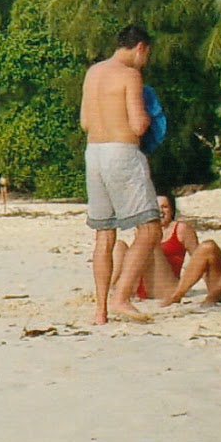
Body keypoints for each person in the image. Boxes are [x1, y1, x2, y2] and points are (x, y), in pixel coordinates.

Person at [81, 25, 161, 324]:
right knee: (150, 229)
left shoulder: (93, 73)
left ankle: (100, 310)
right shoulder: (130, 75)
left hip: (94, 152)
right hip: (121, 153)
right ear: (140, 47)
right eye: (147, 55)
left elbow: (86, 121)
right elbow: (138, 124)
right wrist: (153, 116)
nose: (145, 61)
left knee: (104, 233)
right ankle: (121, 297)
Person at [110, 194, 198, 304]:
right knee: (119, 246)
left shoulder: (181, 229)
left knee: (151, 244)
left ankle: (121, 289)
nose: (160, 211)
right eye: (156, 207)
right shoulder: (144, 230)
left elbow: (198, 258)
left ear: (172, 210)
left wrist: (185, 286)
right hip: (142, 284)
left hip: (166, 286)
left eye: (164, 207)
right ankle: (112, 286)